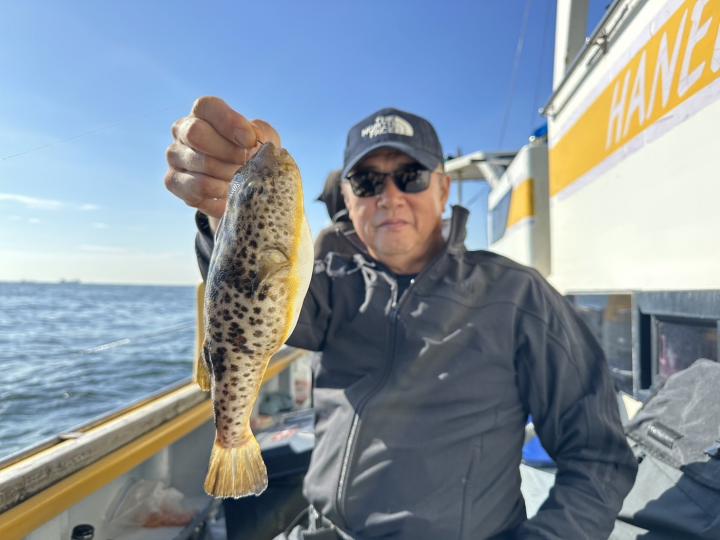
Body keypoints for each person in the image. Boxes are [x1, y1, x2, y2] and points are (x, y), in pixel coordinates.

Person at [165, 96, 637, 539]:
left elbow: (598, 456)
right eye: (367, 182)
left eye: (410, 176)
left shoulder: (518, 295)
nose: (389, 196)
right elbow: (252, 300)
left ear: (443, 188)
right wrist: (223, 214)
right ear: (348, 198)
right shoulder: (329, 283)